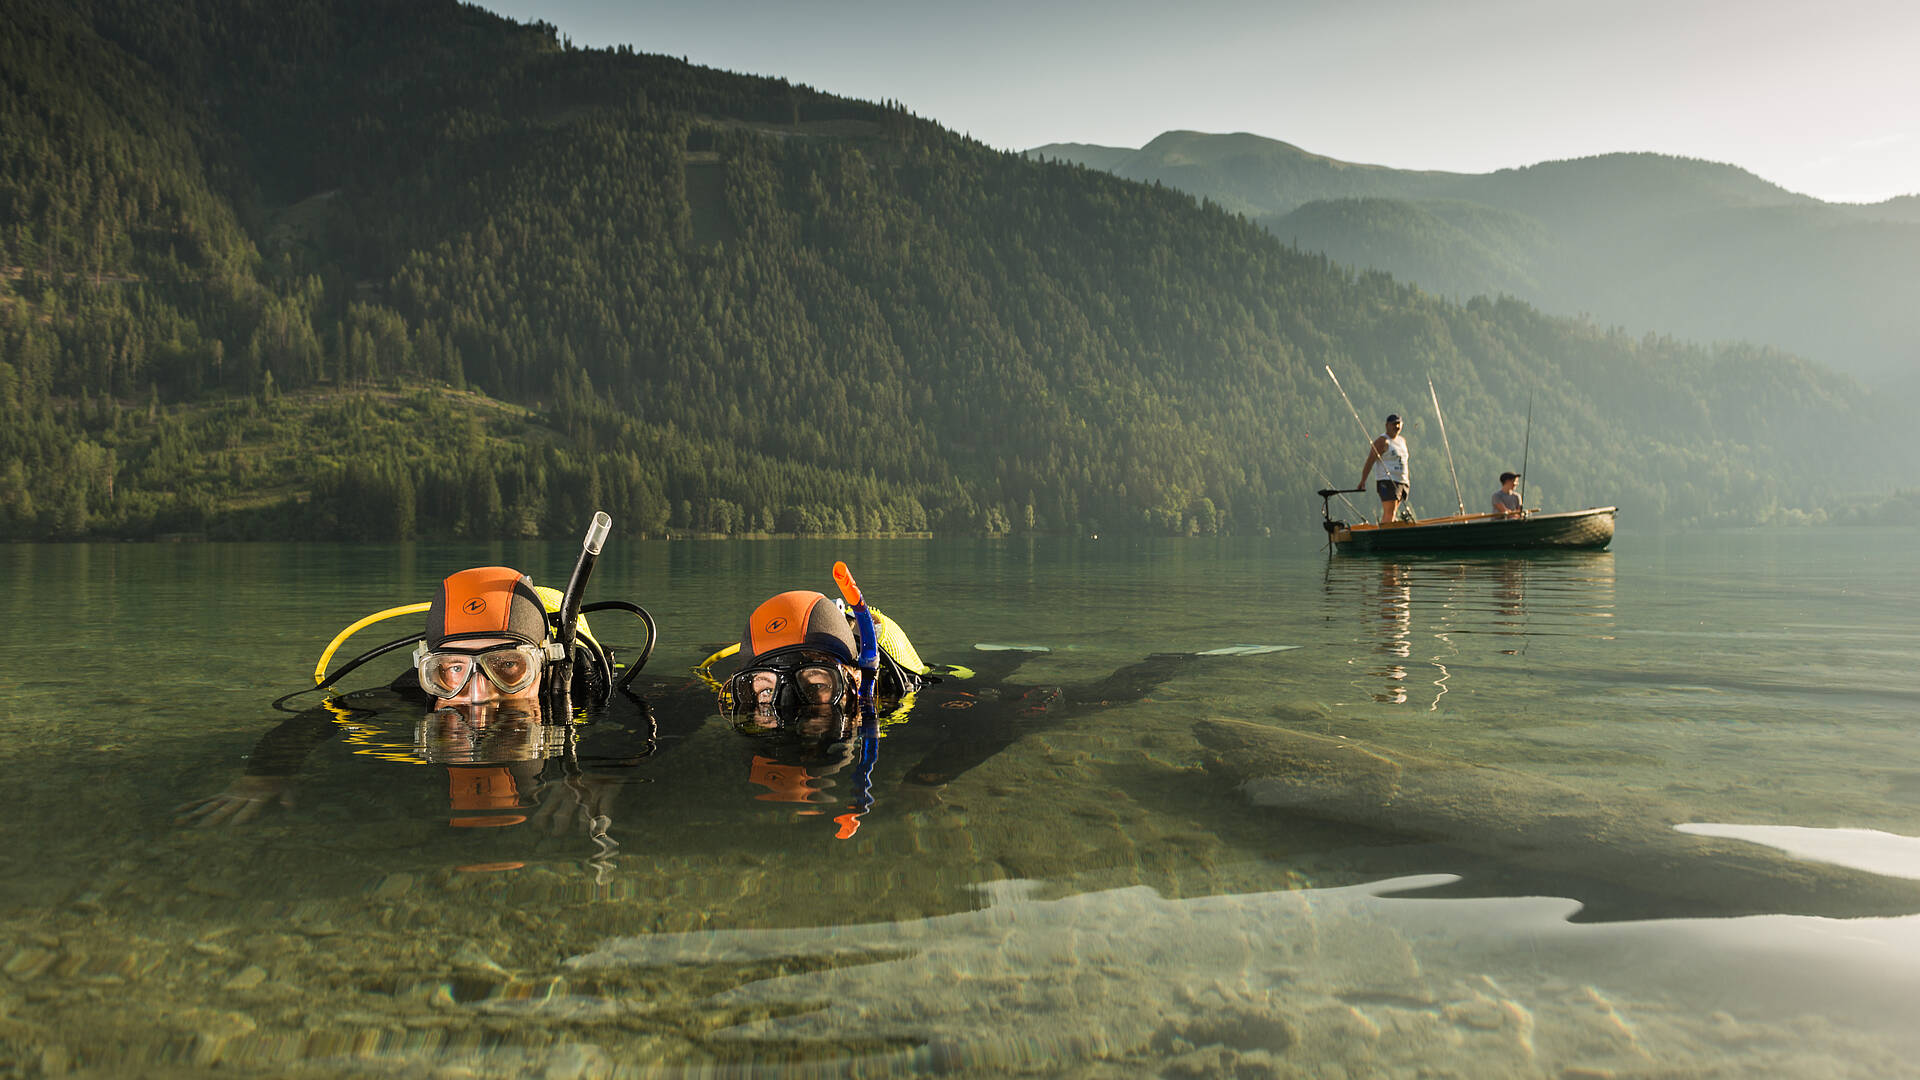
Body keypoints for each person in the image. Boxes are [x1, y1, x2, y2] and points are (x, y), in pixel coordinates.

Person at [177, 566, 663, 857]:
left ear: (549, 666)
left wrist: (611, 769)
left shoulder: (583, 688)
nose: (478, 694)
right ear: (428, 671)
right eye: (451, 670)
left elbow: (679, 698)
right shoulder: (418, 692)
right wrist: (265, 775)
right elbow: (315, 720)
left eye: (508, 668)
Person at [1358, 412, 1412, 524]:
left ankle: (1389, 530)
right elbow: (1370, 461)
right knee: (1389, 511)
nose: (1396, 427)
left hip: (1402, 481)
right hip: (1387, 480)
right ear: (1387, 425)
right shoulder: (1382, 441)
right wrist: (1363, 480)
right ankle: (1385, 533)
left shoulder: (1402, 441)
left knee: (1394, 511)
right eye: (1393, 424)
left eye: (1399, 424)